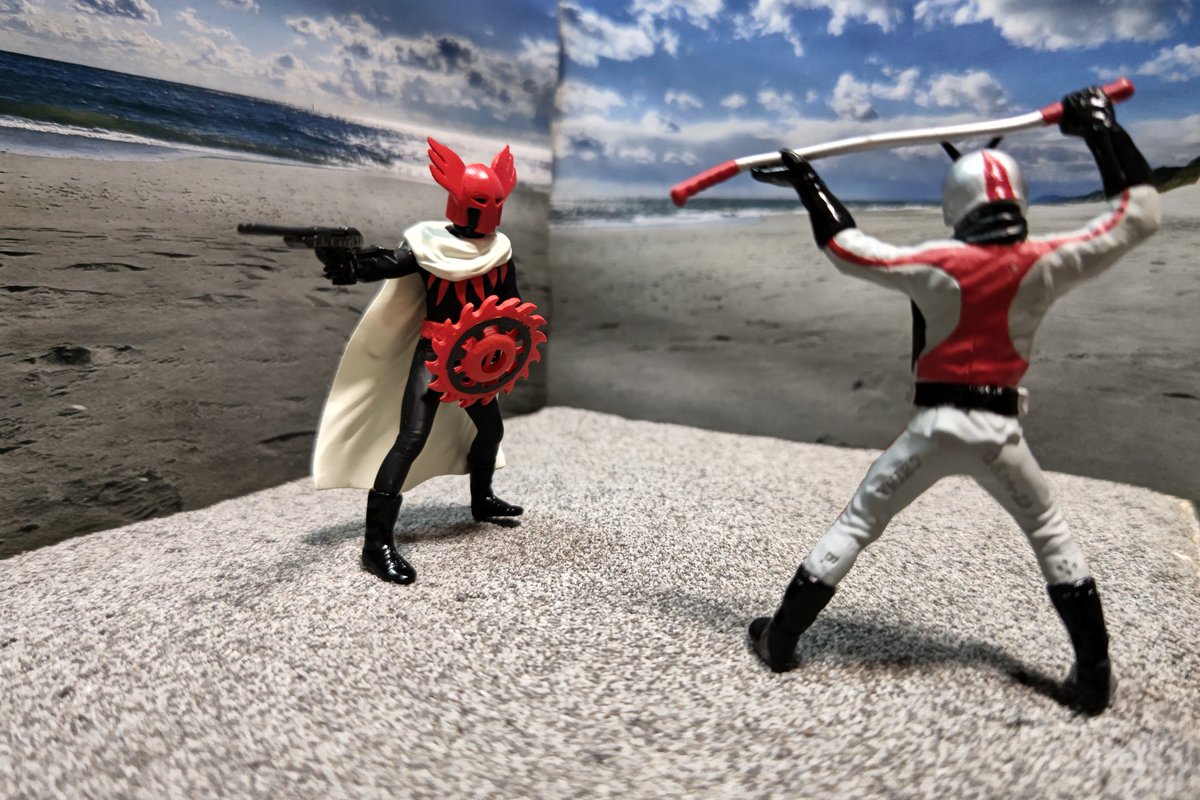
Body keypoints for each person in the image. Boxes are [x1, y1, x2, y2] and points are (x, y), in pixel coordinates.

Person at [746, 87, 1160, 715]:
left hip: (933, 429)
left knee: (857, 525)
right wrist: (1102, 129)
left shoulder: (934, 263)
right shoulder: (1047, 261)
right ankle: (1094, 677)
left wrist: (809, 184)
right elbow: (1138, 216)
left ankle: (780, 639)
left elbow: (847, 248)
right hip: (999, 433)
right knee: (1051, 536)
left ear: (954, 206)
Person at [311, 137, 545, 585]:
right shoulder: (428, 246)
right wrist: (350, 263)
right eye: (481, 202)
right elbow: (389, 263)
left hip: (478, 361)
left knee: (491, 430)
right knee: (411, 438)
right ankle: (376, 545)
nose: (486, 212)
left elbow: (510, 305)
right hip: (435, 356)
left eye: (493, 202)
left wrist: (503, 349)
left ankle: (482, 500)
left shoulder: (500, 251)